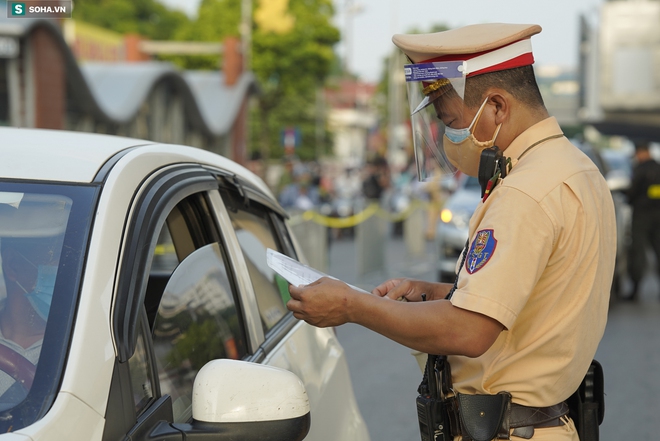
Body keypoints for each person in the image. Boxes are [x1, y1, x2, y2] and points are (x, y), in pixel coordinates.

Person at [286, 23, 616, 440]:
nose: (448, 136)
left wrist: (352, 306)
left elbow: (470, 330)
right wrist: (432, 292)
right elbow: (535, 301)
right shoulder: (575, 169)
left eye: (451, 120)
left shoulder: (526, 191)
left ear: (496, 107)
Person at [625, 140, 660, 300]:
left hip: (641, 216)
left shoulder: (640, 169)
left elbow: (631, 193)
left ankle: (635, 290)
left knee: (638, 251)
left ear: (641, 152)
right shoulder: (658, 168)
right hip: (658, 215)